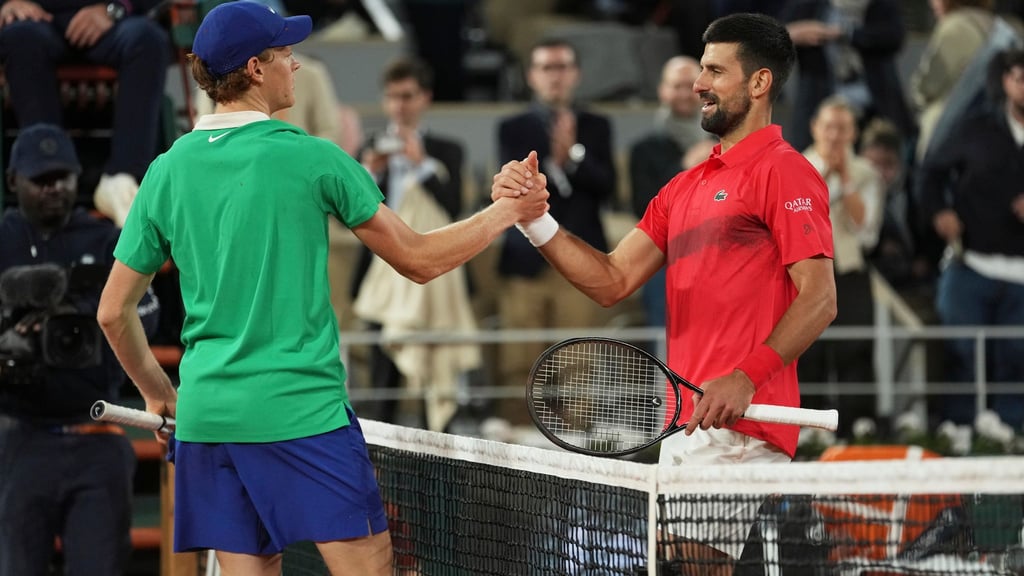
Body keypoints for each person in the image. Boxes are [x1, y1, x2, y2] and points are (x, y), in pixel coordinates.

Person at [94, 3, 547, 576]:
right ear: (256, 69)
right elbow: (420, 260)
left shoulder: (165, 169)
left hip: (209, 421)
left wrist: (158, 393)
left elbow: (113, 312)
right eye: (286, 55)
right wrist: (507, 211)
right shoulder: (312, 158)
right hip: (300, 416)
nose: (296, 66)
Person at [492, 13, 836, 575]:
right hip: (689, 419)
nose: (699, 83)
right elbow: (611, 280)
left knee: (695, 567)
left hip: (740, 423)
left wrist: (746, 375)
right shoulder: (683, 186)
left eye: (714, 71)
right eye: (700, 69)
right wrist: (534, 220)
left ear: (759, 83)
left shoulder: (786, 172)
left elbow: (820, 299)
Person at [0, 123, 159, 576]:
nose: (54, 189)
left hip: (96, 432)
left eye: (63, 177)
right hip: (19, 435)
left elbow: (145, 309)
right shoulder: (4, 238)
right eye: (41, 179)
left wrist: (79, 315)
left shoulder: (105, 240)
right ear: (14, 181)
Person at [494, 37, 616, 417]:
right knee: (519, 363)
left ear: (575, 74)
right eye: (547, 68)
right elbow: (510, 191)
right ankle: (513, 462)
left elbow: (608, 187)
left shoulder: (597, 126)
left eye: (562, 67)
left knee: (577, 364)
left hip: (579, 258)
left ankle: (577, 454)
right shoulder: (511, 128)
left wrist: (574, 156)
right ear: (532, 76)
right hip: (524, 262)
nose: (555, 76)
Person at [350, 55, 473, 430]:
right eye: (392, 97)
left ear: (425, 98)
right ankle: (382, 471)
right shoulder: (369, 148)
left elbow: (455, 208)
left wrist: (422, 165)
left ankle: (440, 471)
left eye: (407, 96)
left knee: (434, 378)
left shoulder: (448, 150)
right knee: (383, 379)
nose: (399, 106)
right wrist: (372, 171)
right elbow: (351, 213)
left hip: (434, 276)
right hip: (380, 276)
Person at [915, 47, 1024, 430]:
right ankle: (956, 433)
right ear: (1005, 81)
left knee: (1017, 361)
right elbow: (929, 173)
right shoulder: (976, 127)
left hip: (1021, 273)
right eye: (1019, 77)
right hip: (970, 263)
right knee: (959, 356)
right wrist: (939, 212)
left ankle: (1012, 440)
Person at [0, 0, 170, 228]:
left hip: (111, 21)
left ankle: (122, 178)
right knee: (19, 38)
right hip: (34, 21)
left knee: (148, 39)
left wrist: (113, 9)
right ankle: (46, 172)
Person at [799, 96, 884, 434]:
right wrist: (824, 173)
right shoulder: (796, 166)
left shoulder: (866, 173)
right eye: (828, 127)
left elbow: (867, 232)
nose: (834, 136)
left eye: (842, 129)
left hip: (848, 272)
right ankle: (807, 430)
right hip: (804, 273)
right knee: (807, 350)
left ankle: (857, 428)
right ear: (815, 129)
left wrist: (846, 178)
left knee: (856, 348)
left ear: (853, 134)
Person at [629, 55, 715, 331]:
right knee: (666, 339)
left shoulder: (725, 140)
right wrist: (685, 167)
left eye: (690, 85)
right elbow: (642, 207)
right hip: (666, 259)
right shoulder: (644, 149)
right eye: (676, 85)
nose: (684, 93)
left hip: (719, 253)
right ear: (662, 90)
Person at [780, 0, 915, 153]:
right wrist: (793, 34)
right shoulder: (808, 5)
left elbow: (894, 37)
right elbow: (773, 37)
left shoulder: (880, 5)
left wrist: (847, 34)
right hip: (822, 108)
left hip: (873, 109)